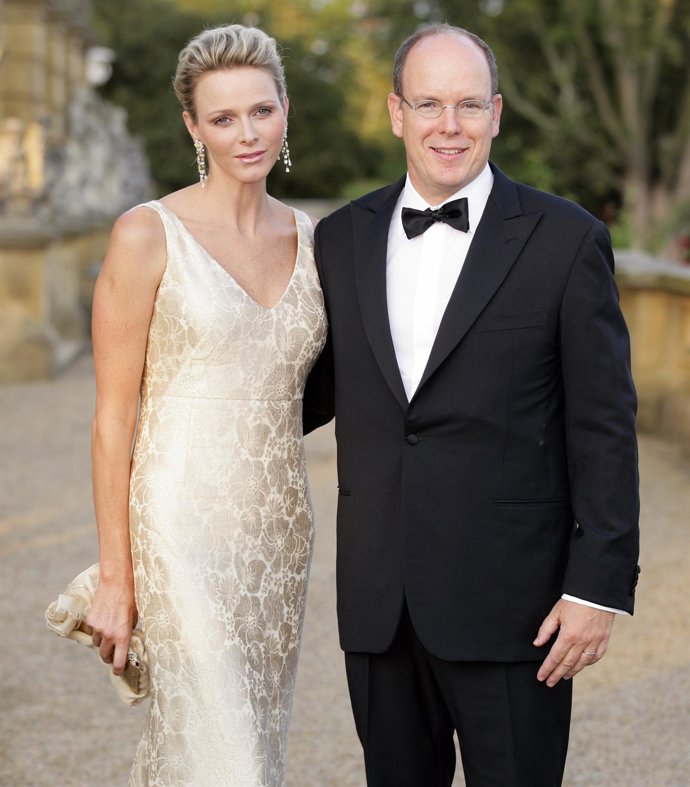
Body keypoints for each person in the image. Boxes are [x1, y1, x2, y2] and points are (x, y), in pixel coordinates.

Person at [303, 23, 640, 787]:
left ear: (497, 112)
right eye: (428, 104)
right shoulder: (341, 238)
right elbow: (304, 393)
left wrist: (597, 585)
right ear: (396, 112)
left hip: (516, 604)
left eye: (469, 104)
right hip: (379, 603)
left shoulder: (567, 238)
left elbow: (604, 425)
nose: (449, 125)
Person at [86, 24, 327, 786]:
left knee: (248, 742)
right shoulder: (146, 234)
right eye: (223, 118)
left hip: (280, 529)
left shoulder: (316, 240)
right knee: (226, 756)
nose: (246, 133)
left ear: (285, 109)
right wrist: (117, 576)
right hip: (180, 527)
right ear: (193, 127)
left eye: (261, 110)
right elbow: (113, 418)